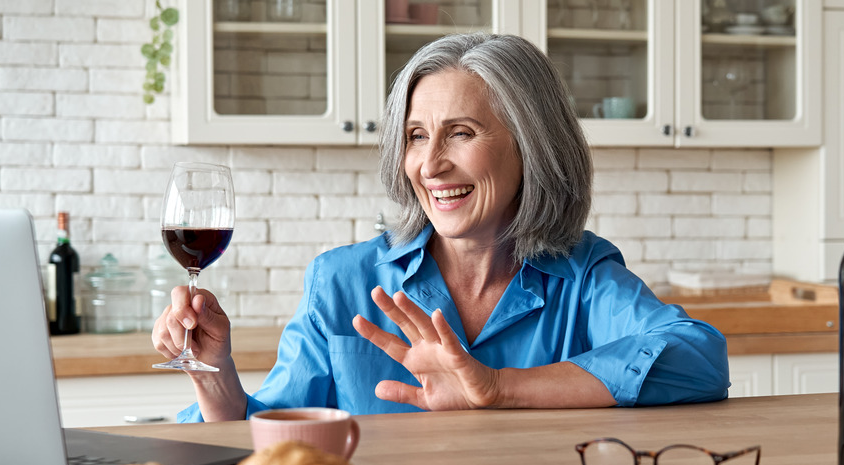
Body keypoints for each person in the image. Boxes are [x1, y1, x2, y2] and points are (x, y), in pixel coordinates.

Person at [152, 33, 730, 422]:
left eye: (461, 132)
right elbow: (264, 435)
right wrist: (214, 369)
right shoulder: (342, 281)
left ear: (530, 146)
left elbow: (699, 358)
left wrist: (497, 388)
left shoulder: (582, 275)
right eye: (416, 136)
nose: (430, 166)